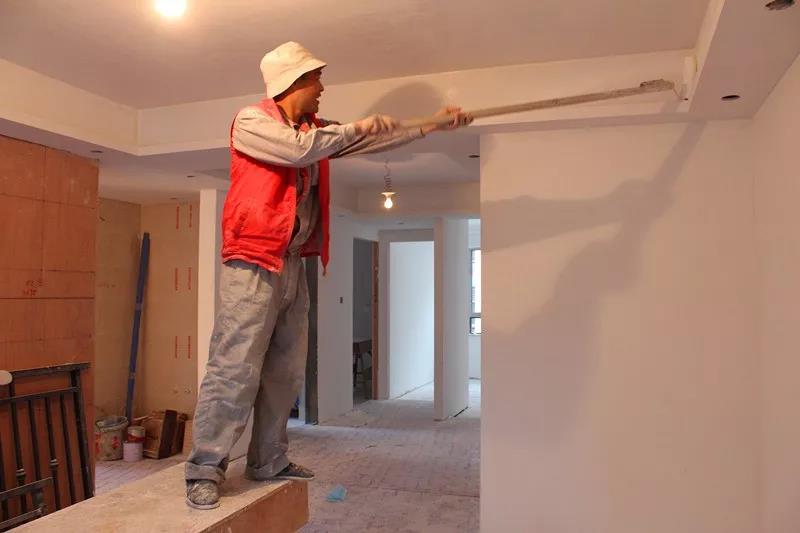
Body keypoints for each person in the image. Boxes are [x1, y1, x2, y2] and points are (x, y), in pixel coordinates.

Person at [185, 41, 472, 510]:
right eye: (316, 79)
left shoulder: (315, 130)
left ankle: (268, 460)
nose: (322, 88)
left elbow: (364, 140)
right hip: (253, 260)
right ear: (292, 82)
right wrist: (357, 127)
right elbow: (299, 152)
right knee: (234, 368)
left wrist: (430, 125)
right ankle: (204, 468)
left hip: (293, 261)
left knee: (285, 370)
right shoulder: (252, 122)